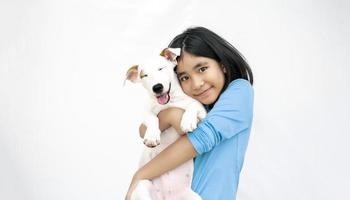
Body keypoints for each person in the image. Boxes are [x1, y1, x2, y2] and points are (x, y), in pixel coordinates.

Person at [125, 26, 254, 200]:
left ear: (222, 64)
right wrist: (165, 117)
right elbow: (143, 131)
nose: (196, 84)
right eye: (184, 77)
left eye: (202, 69)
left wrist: (140, 175)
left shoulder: (239, 90)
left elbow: (203, 137)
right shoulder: (195, 105)